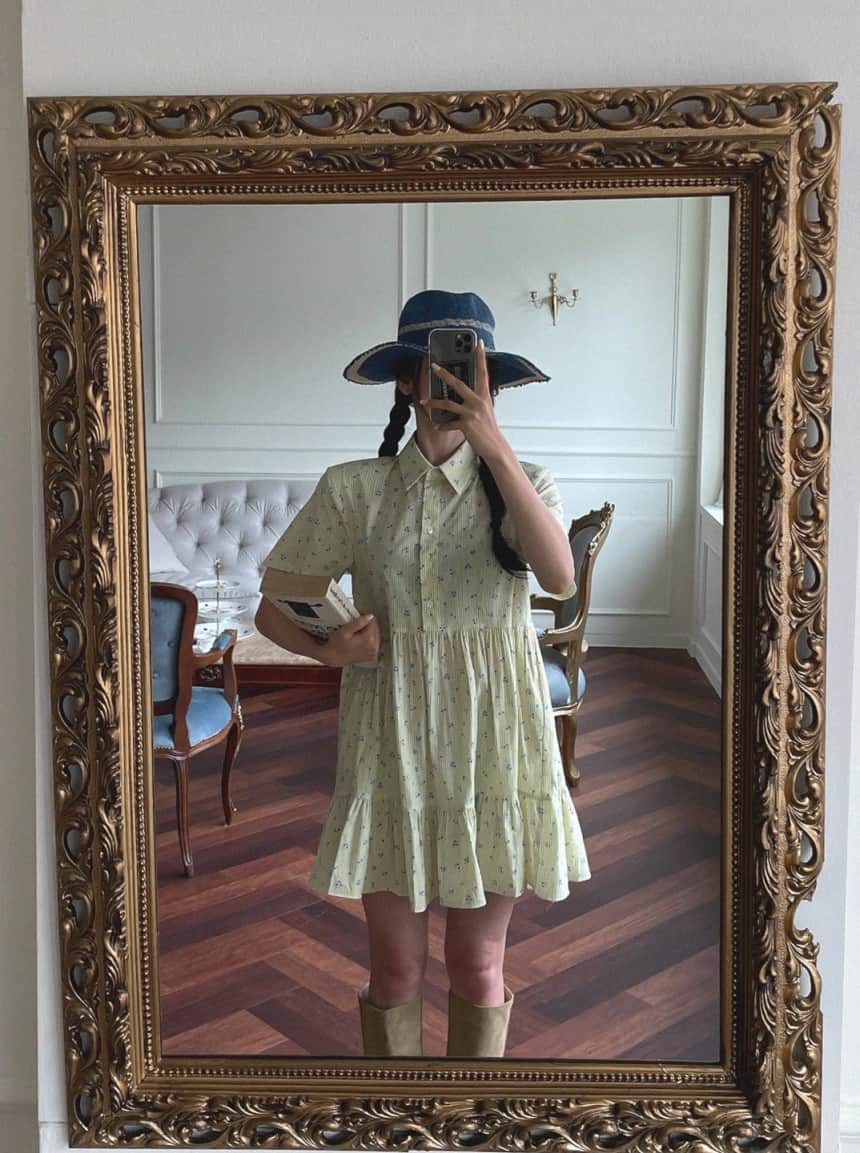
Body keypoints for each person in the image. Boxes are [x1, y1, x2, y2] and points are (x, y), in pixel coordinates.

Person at [255, 290, 591, 1060]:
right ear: (408, 381)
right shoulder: (355, 489)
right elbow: (274, 607)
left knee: (478, 966)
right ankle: (397, 1118)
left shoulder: (527, 481)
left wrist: (496, 449)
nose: (451, 385)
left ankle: (473, 1116)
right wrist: (329, 652)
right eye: (438, 369)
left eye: (469, 371)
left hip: (497, 742)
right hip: (390, 741)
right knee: (395, 969)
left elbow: (559, 577)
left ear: (491, 382)